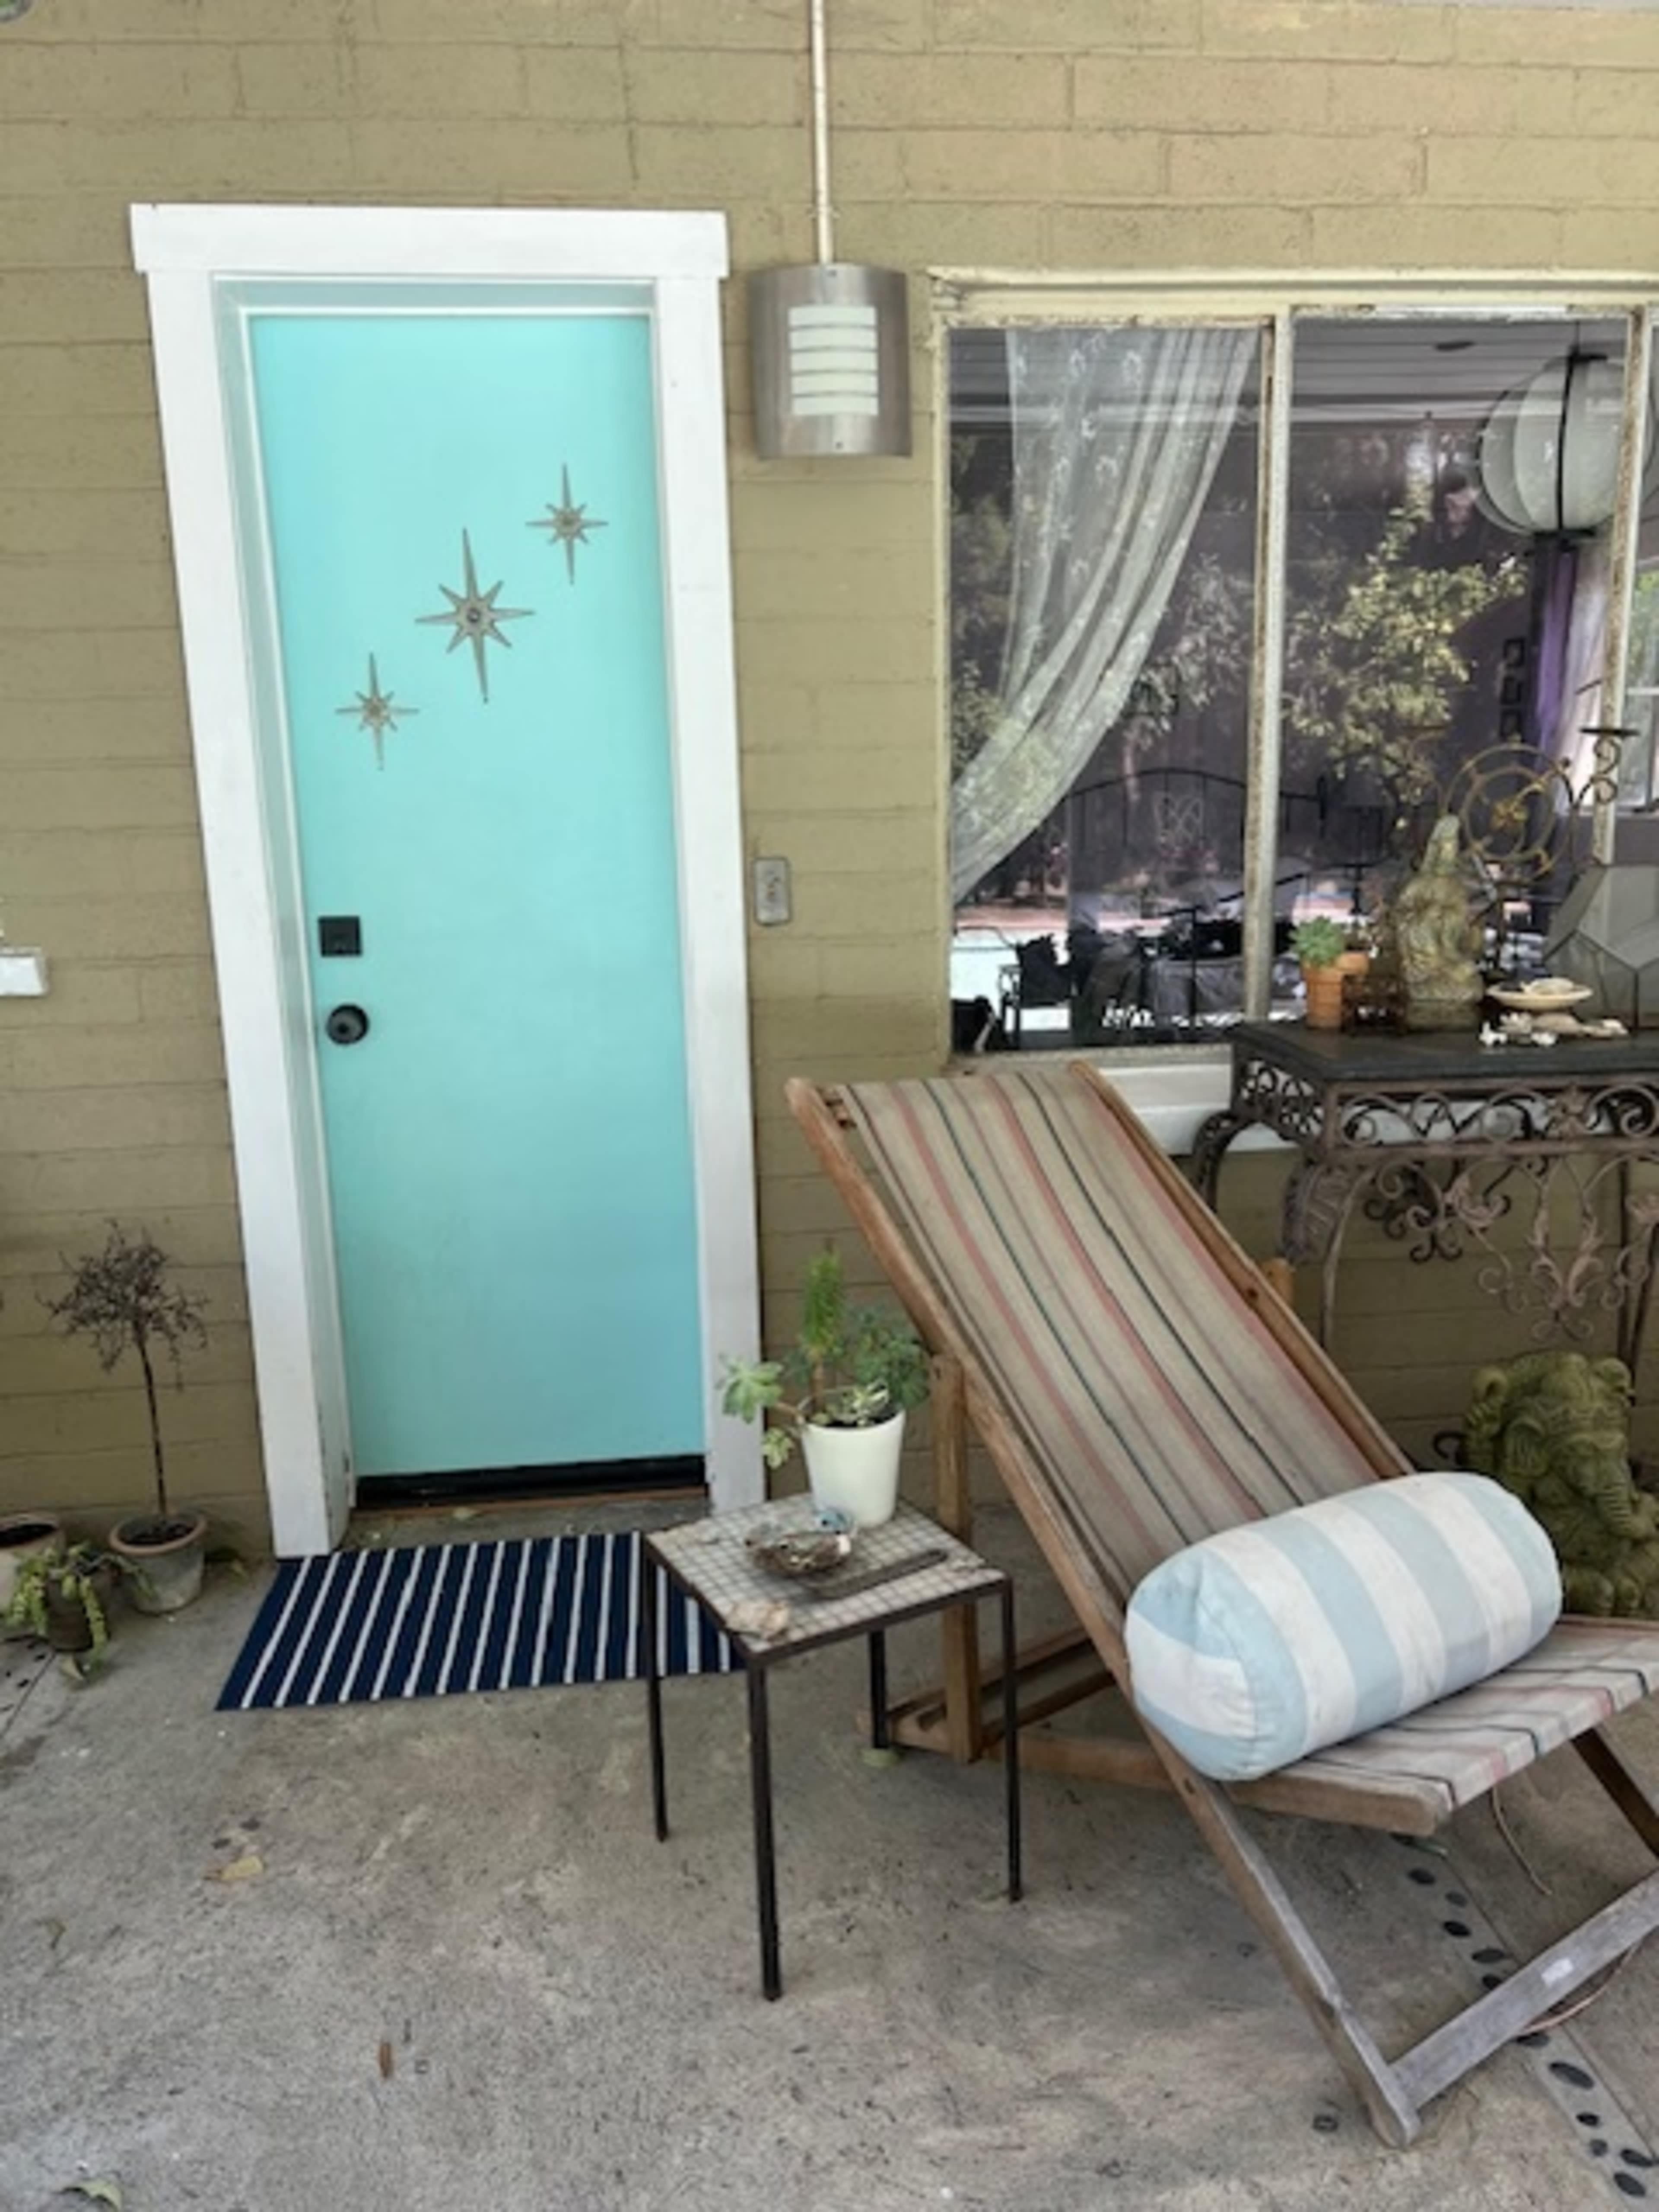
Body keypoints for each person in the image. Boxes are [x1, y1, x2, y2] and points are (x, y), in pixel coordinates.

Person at [1394, 814, 1484, 1030]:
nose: (1450, 851)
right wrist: (1424, 918)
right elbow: (1400, 915)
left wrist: (1457, 922)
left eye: (1454, 846)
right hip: (1424, 955)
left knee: (1468, 976)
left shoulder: (1456, 887)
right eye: (1445, 846)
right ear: (1435, 849)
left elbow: (1463, 921)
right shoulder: (1420, 884)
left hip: (1448, 953)